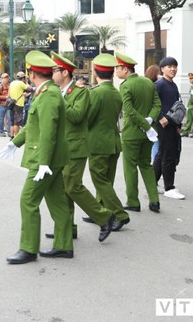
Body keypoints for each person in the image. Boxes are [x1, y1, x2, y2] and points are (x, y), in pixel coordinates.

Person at [0, 51, 72, 264]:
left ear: (32, 74)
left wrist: (43, 163)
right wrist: (15, 142)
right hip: (53, 160)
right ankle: (64, 245)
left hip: (46, 160)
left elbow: (48, 132)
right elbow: (33, 125)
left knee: (28, 200)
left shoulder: (48, 95)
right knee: (57, 202)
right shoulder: (47, 92)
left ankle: (29, 248)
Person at [47, 51, 114, 242]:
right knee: (64, 189)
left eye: (55, 70)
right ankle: (67, 227)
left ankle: (104, 216)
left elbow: (76, 116)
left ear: (65, 73)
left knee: (72, 186)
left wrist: (60, 101)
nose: (52, 74)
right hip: (62, 147)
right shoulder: (57, 92)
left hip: (75, 147)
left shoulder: (80, 92)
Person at [86, 53, 130, 231]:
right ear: (112, 74)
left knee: (100, 180)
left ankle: (120, 214)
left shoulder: (97, 93)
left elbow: (88, 118)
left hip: (98, 143)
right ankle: (99, 210)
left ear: (96, 73)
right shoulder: (115, 92)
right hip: (113, 141)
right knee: (107, 180)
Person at [115, 52, 161, 213]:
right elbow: (157, 105)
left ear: (125, 69)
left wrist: (144, 124)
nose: (116, 71)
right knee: (146, 166)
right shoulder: (148, 82)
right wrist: (149, 121)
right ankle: (154, 200)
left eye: (118, 68)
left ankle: (133, 201)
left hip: (132, 133)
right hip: (147, 134)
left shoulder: (126, 85)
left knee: (130, 168)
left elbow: (129, 110)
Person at [153, 57, 185, 200]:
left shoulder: (173, 85)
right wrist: (160, 117)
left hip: (172, 124)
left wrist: (178, 125)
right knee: (168, 155)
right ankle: (169, 187)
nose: (173, 69)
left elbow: (176, 106)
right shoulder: (159, 84)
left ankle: (152, 183)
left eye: (175, 66)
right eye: (169, 66)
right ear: (162, 69)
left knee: (161, 154)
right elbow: (151, 102)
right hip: (164, 124)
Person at [8, 71, 31, 138]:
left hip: (11, 103)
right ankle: (16, 136)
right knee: (17, 122)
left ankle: (12, 136)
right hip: (18, 104)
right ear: (23, 78)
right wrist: (26, 82)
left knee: (12, 122)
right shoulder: (21, 83)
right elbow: (30, 88)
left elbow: (9, 93)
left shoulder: (12, 83)